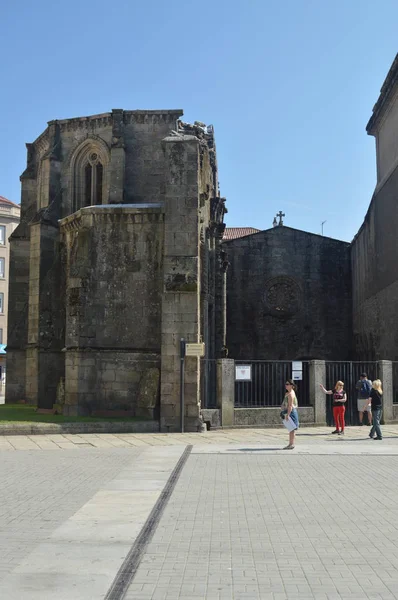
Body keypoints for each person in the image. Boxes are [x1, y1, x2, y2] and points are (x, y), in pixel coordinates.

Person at [280, 379, 299, 450]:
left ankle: (291, 444)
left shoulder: (291, 394)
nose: (286, 385)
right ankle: (291, 443)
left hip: (291, 412)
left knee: (292, 429)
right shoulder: (288, 393)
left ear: (292, 386)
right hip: (289, 411)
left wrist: (288, 414)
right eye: (286, 384)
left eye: (287, 384)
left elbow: (290, 405)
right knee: (291, 428)